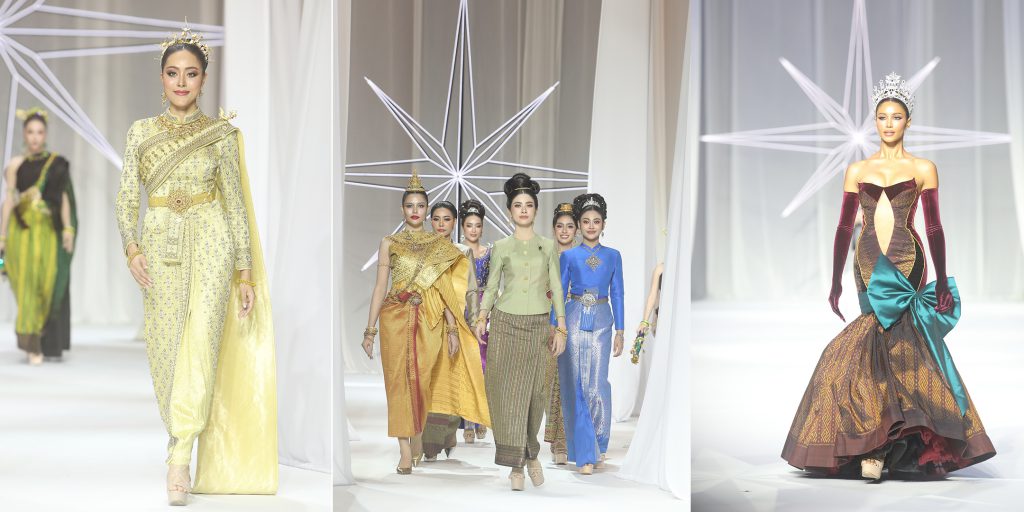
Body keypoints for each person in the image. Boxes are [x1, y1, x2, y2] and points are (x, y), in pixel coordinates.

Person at [781, 73, 995, 481]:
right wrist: (835, 280)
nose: (889, 124)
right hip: (865, 262)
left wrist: (942, 279)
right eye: (882, 117)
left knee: (901, 344)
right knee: (869, 341)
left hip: (907, 260)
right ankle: (875, 441)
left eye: (896, 117)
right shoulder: (857, 169)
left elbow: (934, 227)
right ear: (874, 121)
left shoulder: (923, 168)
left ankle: (885, 448)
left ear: (908, 121)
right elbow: (844, 227)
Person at [114, 27, 278, 505]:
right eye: (173, 73)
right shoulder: (141, 132)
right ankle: (177, 436)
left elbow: (236, 207)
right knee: (166, 351)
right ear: (161, 78)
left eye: (191, 74)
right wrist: (132, 248)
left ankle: (180, 457)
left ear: (204, 79)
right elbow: (126, 199)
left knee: (201, 344)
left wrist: (245, 272)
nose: (181, 82)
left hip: (211, 240)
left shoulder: (220, 135)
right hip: (158, 243)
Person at [361, 173, 489, 474]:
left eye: (420, 206)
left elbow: (445, 291)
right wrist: (370, 330)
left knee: (421, 381)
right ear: (402, 209)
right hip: (394, 316)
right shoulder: (389, 242)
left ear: (426, 209)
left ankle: (417, 434)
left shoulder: (438, 245)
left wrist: (453, 329)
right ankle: (404, 449)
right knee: (397, 383)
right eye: (410, 206)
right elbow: (380, 287)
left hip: (429, 318)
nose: (415, 210)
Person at [475, 173, 567, 491]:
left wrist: (561, 328)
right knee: (508, 396)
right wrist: (482, 316)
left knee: (536, 396)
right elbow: (491, 287)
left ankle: (532, 455)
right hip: (505, 325)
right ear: (509, 211)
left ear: (536, 210)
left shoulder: (548, 246)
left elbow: (556, 287)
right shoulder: (501, 247)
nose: (524, 209)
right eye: (518, 205)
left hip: (539, 326)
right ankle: (517, 465)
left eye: (529, 204)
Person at [1, 108, 77, 365]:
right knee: (27, 285)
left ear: (45, 134)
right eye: (31, 132)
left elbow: (63, 198)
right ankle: (31, 343)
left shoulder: (55, 165)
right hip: (22, 232)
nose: (35, 137)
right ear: (24, 134)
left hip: (46, 232)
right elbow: (9, 201)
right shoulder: (15, 165)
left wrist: (68, 229)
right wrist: (2, 237)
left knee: (46, 284)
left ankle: (42, 336)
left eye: (40, 132)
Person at [556, 193, 624, 474]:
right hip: (573, 318)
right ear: (579, 225)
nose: (591, 226)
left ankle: (600, 443)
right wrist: (557, 328)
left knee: (597, 383)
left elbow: (618, 293)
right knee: (576, 384)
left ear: (603, 224)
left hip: (602, 319)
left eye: (596, 221)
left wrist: (620, 330)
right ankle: (585, 453)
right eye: (586, 221)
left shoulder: (613, 256)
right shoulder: (569, 256)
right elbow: (559, 292)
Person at [420, 199, 481, 461]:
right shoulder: (422, 250)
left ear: (455, 222)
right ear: (430, 221)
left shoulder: (462, 251)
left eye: (446, 219)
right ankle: (430, 442)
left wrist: (476, 321)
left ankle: (447, 434)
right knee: (431, 379)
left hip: (456, 320)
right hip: (428, 319)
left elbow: (471, 289)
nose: (441, 224)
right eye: (436, 219)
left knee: (452, 377)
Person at [544, 202, 577, 464]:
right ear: (553, 229)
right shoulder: (545, 256)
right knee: (551, 384)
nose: (564, 231)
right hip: (548, 326)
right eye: (559, 226)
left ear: (577, 230)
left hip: (576, 325)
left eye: (569, 226)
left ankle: (568, 442)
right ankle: (556, 442)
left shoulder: (581, 258)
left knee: (573, 382)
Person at [458, 199, 491, 444]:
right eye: (469, 225)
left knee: (482, 366)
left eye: (477, 225)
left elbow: (493, 285)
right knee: (465, 365)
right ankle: (468, 421)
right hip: (462, 307)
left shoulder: (489, 253)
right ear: (462, 227)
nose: (473, 230)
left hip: (483, 310)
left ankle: (481, 418)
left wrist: (488, 312)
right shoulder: (458, 252)